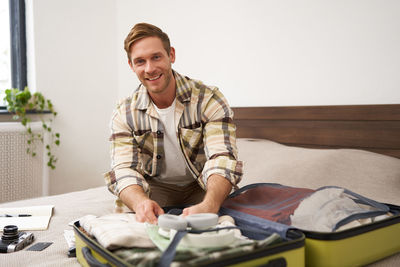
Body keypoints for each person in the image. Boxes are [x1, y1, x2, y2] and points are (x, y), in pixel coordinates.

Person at [104, 23, 243, 224]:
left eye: (156, 57)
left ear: (171, 55)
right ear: (131, 66)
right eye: (140, 61)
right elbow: (124, 169)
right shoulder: (124, 113)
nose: (150, 69)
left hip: (203, 185)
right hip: (155, 188)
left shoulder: (208, 100)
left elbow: (221, 158)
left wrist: (210, 204)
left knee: (230, 222)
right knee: (132, 227)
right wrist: (141, 203)